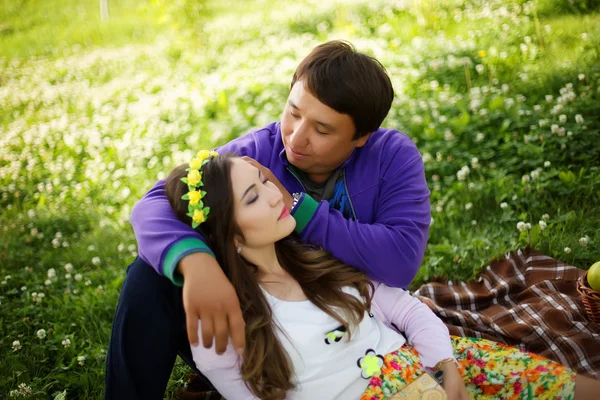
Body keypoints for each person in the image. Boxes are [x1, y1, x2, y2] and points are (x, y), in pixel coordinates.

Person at [106, 40, 431, 398]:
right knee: (149, 273)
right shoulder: (257, 151)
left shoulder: (391, 157)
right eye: (293, 112)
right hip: (253, 336)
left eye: (322, 130)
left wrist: (299, 208)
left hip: (350, 329)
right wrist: (198, 265)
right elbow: (154, 203)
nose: (296, 137)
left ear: (361, 137)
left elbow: (400, 262)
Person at [163, 152, 596, 400]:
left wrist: (445, 364)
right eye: (255, 196)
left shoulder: (316, 262)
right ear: (231, 236)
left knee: (565, 388)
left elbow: (404, 309)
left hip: (427, 364)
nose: (277, 193)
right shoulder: (226, 319)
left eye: (265, 179)